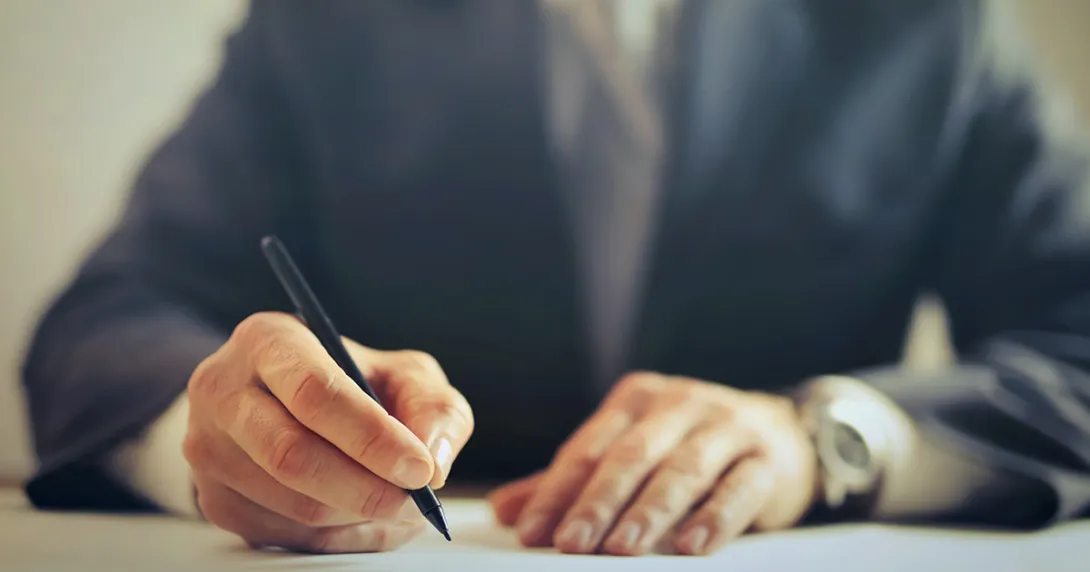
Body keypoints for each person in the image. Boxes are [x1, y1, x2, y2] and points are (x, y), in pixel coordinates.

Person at [20, 0, 1090, 557]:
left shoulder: (927, 22)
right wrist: (232, 439)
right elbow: (106, 323)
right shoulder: (328, 19)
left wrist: (823, 441)